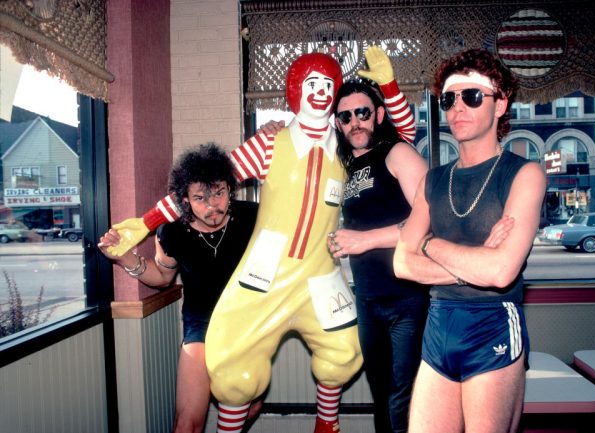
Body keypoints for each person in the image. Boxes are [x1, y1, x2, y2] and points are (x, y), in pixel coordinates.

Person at [105, 47, 413, 433]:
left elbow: (401, 135)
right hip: (266, 274)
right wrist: (146, 222)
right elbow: (205, 180)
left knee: (346, 350)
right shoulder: (271, 143)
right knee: (234, 367)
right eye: (311, 83)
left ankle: (326, 425)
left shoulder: (347, 149)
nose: (319, 92)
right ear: (296, 89)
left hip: (320, 274)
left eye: (327, 85)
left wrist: (389, 85)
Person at [393, 48, 546, 433]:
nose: (457, 107)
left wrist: (428, 244)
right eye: (449, 99)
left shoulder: (524, 174)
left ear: (500, 105)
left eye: (472, 96)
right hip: (438, 326)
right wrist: (473, 262)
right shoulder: (434, 180)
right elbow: (401, 263)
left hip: (492, 325)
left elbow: (499, 272)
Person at [98, 143, 261, 433]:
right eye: (200, 198)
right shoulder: (172, 231)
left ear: (229, 189)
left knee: (248, 409)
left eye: (219, 193)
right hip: (201, 323)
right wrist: (123, 257)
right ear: (184, 200)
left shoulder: (252, 217)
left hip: (249, 323)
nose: (212, 206)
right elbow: (162, 276)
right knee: (186, 424)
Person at [327, 79, 428, 433]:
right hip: (367, 300)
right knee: (381, 395)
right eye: (345, 116)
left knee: (405, 398)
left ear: (379, 114)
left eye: (362, 112)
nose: (355, 121)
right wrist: (340, 242)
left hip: (408, 299)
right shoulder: (344, 169)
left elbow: (429, 219)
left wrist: (364, 240)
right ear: (338, 124)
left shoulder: (397, 152)